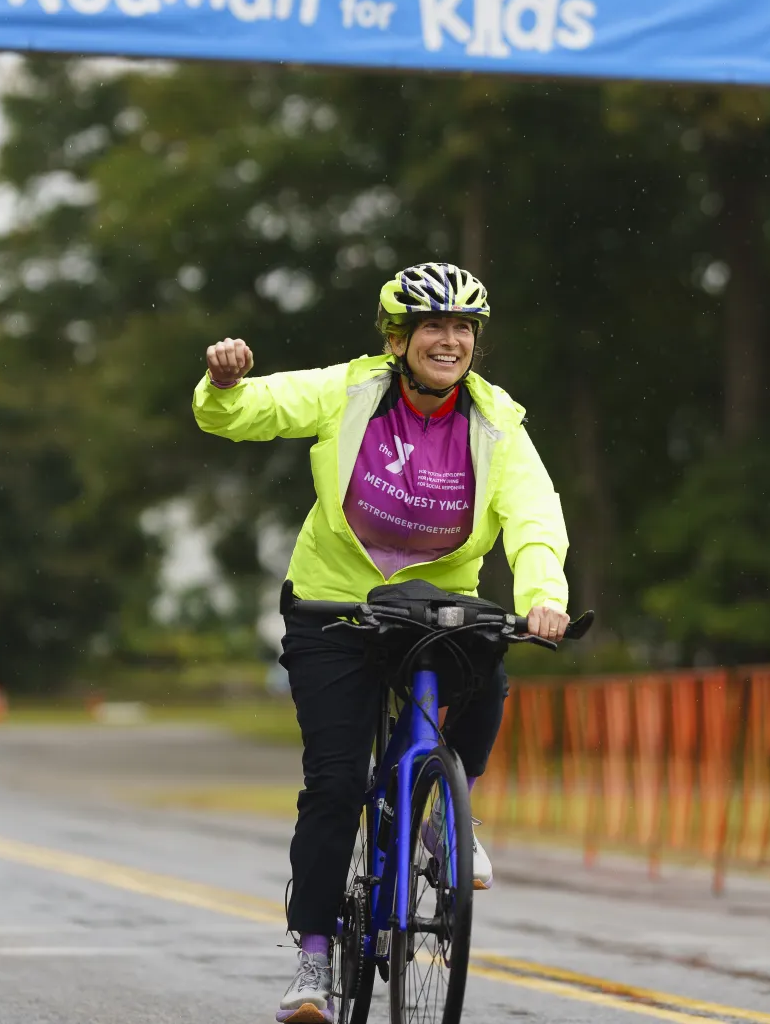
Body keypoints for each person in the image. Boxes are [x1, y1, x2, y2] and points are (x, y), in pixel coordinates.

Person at [192, 261, 570, 1024]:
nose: (450, 340)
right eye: (434, 325)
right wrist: (225, 385)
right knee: (335, 785)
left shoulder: (497, 422)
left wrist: (542, 599)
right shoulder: (352, 390)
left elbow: (534, 515)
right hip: (333, 609)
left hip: (434, 610)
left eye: (464, 328)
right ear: (399, 338)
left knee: (489, 674)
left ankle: (437, 811)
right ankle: (314, 961)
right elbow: (248, 412)